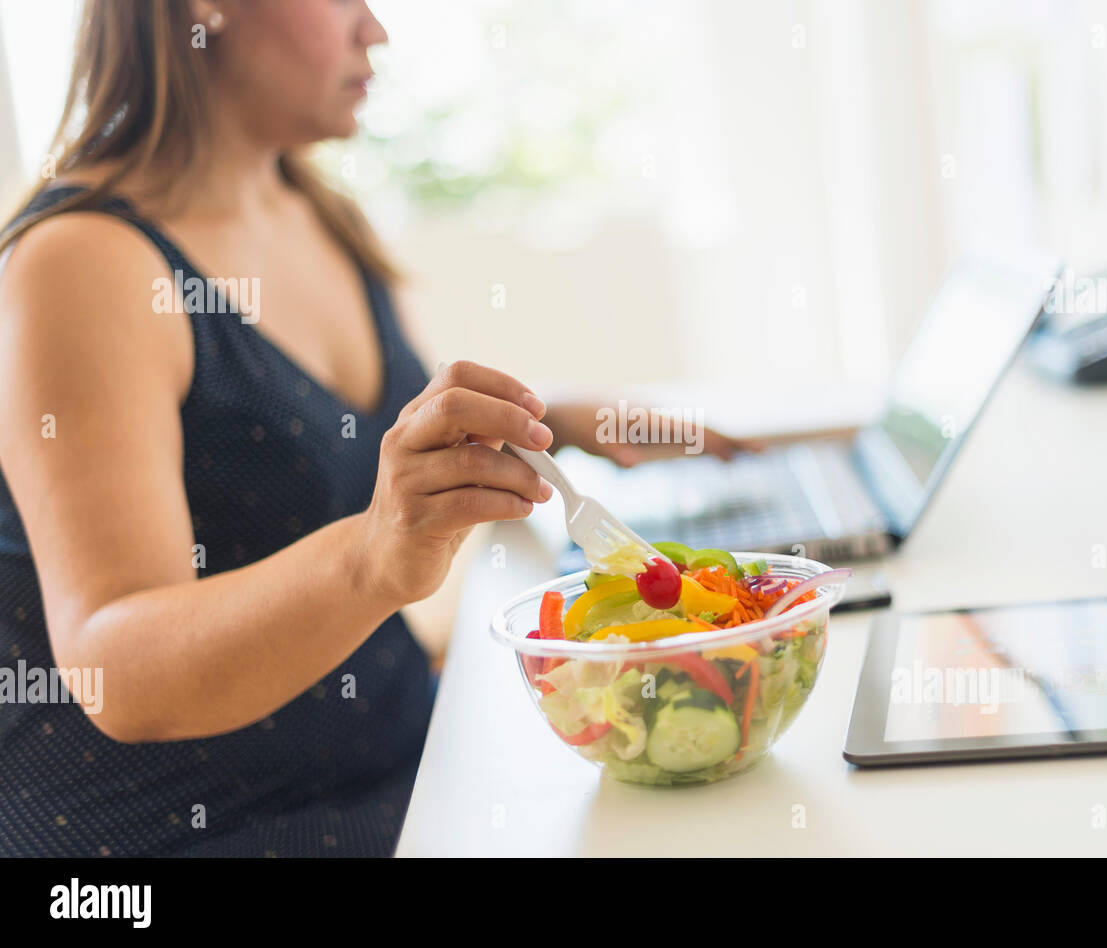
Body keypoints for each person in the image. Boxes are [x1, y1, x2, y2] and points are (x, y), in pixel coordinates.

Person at [0, 0, 749, 857]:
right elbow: (117, 669)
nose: (377, 31)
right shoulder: (80, 262)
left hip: (407, 767)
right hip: (184, 831)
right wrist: (373, 554)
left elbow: (342, 447)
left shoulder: (314, 210)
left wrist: (550, 419)